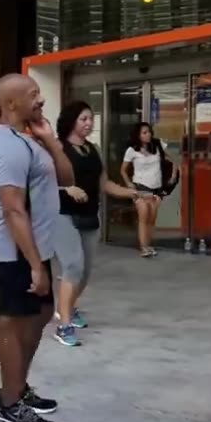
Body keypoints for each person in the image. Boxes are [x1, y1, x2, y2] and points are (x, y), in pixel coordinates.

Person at [0, 74, 74, 422]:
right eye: (33, 95)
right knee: (14, 320)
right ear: (10, 104)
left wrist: (51, 141)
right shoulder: (6, 147)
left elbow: (66, 177)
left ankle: (18, 386)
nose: (40, 100)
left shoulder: (30, 138)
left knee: (38, 315)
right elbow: (13, 210)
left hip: (39, 247)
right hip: (18, 251)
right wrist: (35, 265)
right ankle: (9, 402)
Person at [51, 102, 138, 347]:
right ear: (71, 121)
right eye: (83, 119)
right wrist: (66, 188)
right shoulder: (57, 148)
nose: (88, 123)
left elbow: (104, 183)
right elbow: (39, 183)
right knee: (73, 266)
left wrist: (132, 193)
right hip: (62, 214)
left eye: (90, 119)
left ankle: (67, 307)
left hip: (90, 216)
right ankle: (64, 325)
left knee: (85, 272)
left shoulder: (94, 149)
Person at [120, 121, 177, 257]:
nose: (148, 135)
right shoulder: (132, 150)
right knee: (144, 215)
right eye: (144, 132)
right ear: (138, 135)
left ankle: (149, 244)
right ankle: (144, 247)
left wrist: (173, 175)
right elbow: (123, 170)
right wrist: (128, 183)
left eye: (149, 132)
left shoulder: (157, 145)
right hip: (140, 186)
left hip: (156, 186)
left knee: (152, 218)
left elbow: (173, 159)